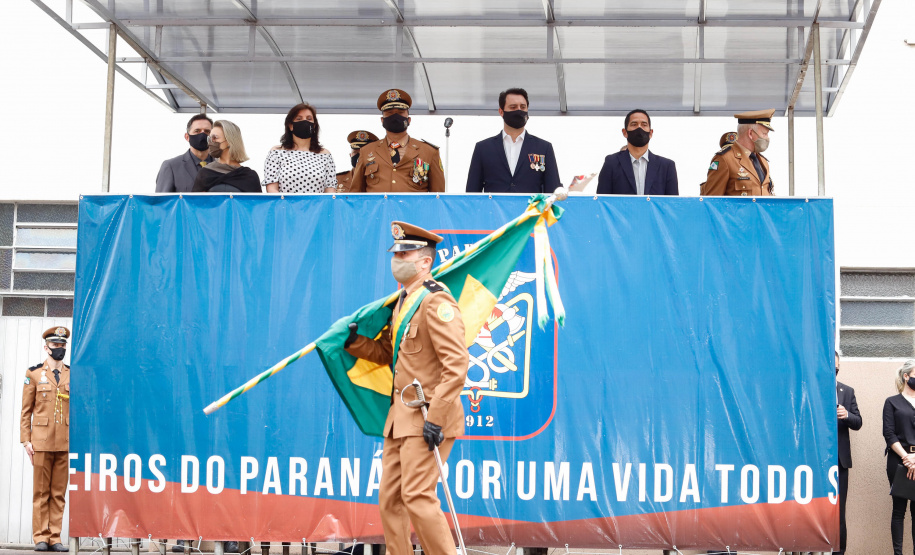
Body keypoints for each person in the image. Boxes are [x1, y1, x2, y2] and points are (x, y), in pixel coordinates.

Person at [344, 221, 468, 555]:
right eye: (396, 252)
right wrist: (354, 343)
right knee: (390, 501)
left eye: (406, 251)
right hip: (399, 419)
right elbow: (388, 354)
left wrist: (437, 418)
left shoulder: (435, 302)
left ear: (425, 261)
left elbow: (456, 365)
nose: (398, 257)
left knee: (417, 496)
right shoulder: (401, 302)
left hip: (427, 414)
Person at [21, 327, 72, 552]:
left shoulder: (73, 373)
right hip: (40, 442)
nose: (59, 349)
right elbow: (26, 411)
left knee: (58, 493)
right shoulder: (33, 373)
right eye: (55, 346)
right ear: (46, 347)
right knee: (41, 492)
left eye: (62, 346)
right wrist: (26, 440)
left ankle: (55, 537)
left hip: (64, 442)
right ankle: (40, 537)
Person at [465, 88, 561, 194]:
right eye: (513, 107)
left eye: (523, 107)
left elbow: (553, 191)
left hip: (531, 210)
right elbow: (472, 192)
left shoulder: (544, 148)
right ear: (501, 112)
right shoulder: (483, 148)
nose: (519, 110)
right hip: (494, 210)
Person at [349, 89, 445, 193]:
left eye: (400, 113)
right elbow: (356, 194)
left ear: (409, 120)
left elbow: (438, 195)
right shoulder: (366, 151)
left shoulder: (429, 152)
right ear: (382, 120)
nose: (395, 117)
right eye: (390, 113)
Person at [595, 109, 679, 196]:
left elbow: (672, 205)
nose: (639, 128)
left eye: (644, 124)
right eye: (634, 124)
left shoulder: (667, 166)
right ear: (625, 132)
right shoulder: (611, 162)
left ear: (650, 133)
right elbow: (602, 201)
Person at [263, 103, 337, 194]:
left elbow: (330, 189)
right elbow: (272, 189)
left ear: (314, 125)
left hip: (318, 207)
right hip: (285, 207)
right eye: (299, 119)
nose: (305, 122)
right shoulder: (276, 152)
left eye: (309, 119)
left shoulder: (325, 155)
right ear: (290, 125)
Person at [701, 110, 775, 196]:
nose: (767, 138)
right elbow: (712, 202)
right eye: (764, 134)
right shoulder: (725, 159)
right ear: (750, 133)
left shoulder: (763, 162)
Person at [882, 359, 915, 555]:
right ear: (906, 376)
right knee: (899, 510)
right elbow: (889, 433)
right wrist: (907, 458)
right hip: (898, 461)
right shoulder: (892, 402)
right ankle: (898, 553)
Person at [835, 349, 862, 555]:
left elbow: (858, 422)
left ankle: (839, 551)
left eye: (836, 368)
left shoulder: (848, 391)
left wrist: (846, 415)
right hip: (813, 461)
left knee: (839, 511)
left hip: (840, 461)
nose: (833, 371)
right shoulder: (810, 389)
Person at [192, 120, 261, 193]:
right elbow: (196, 203)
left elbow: (256, 203)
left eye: (215, 137)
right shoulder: (205, 173)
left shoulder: (249, 176)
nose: (211, 141)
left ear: (229, 141)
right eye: (210, 138)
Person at [155, 114, 214, 193]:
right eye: (197, 131)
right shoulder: (171, 166)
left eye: (207, 131)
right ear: (187, 137)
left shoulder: (223, 166)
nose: (202, 134)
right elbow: (162, 202)